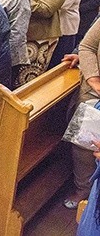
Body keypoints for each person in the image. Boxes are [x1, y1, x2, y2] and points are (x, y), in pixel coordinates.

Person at [64, 18, 100, 210]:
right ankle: (83, 190)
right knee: (83, 144)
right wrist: (93, 77)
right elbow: (87, 46)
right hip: (95, 91)